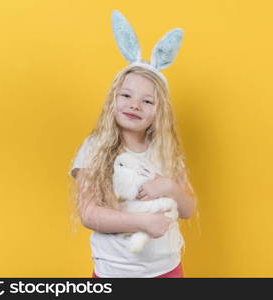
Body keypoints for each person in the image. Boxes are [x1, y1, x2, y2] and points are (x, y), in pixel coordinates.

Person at [68, 10, 196, 278]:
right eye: (126, 95)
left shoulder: (166, 150)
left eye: (147, 101)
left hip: (167, 269)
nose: (135, 104)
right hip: (115, 272)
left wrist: (170, 187)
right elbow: (89, 213)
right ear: (113, 100)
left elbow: (188, 209)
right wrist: (143, 222)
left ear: (159, 112)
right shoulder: (95, 148)